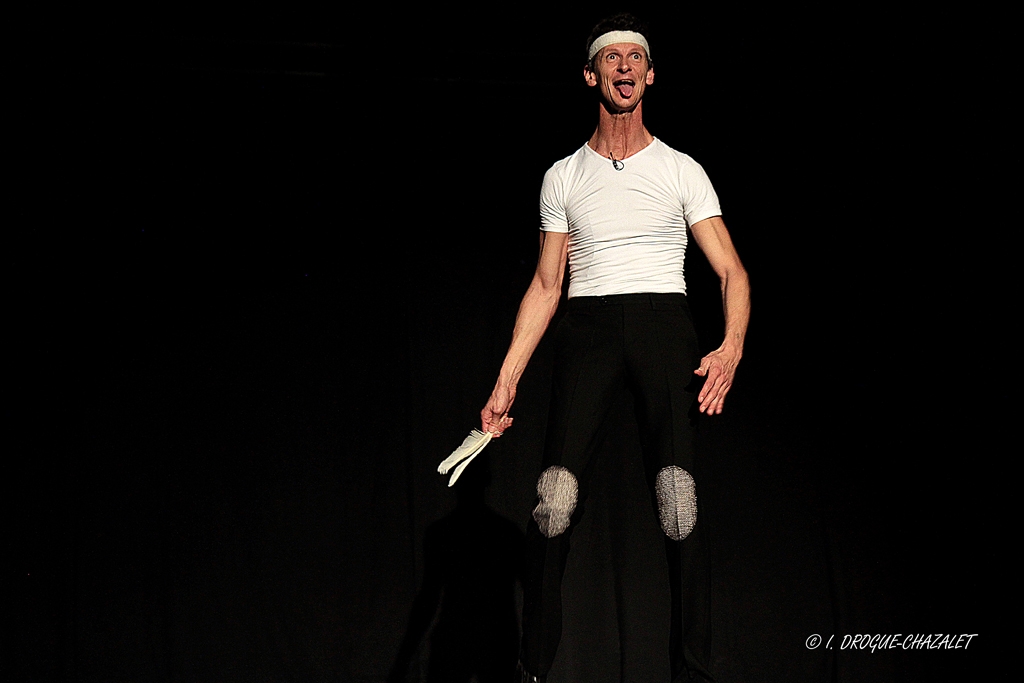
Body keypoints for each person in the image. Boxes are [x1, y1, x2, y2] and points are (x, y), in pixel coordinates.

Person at [480, 13, 749, 683]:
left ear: (650, 74)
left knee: (678, 502)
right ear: (592, 75)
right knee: (554, 500)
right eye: (612, 58)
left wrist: (732, 344)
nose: (624, 67)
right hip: (589, 327)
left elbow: (731, 272)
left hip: (664, 323)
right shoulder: (563, 176)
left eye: (636, 57)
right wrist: (507, 377)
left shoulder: (681, 169)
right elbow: (546, 287)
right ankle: (533, 669)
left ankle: (692, 671)